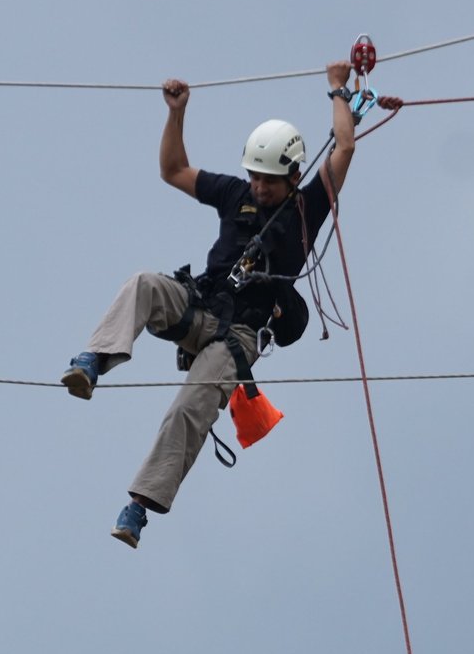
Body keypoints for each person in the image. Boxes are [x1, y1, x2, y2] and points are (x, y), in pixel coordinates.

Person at [62, 59, 358, 548]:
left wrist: (337, 88)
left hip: (238, 338)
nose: (258, 186)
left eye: (268, 180)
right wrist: (176, 112)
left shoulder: (308, 209)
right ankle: (93, 362)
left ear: (293, 175)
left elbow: (344, 146)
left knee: (190, 407)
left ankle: (138, 507)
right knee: (144, 283)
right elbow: (173, 170)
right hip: (199, 305)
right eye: (254, 176)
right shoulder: (234, 194)